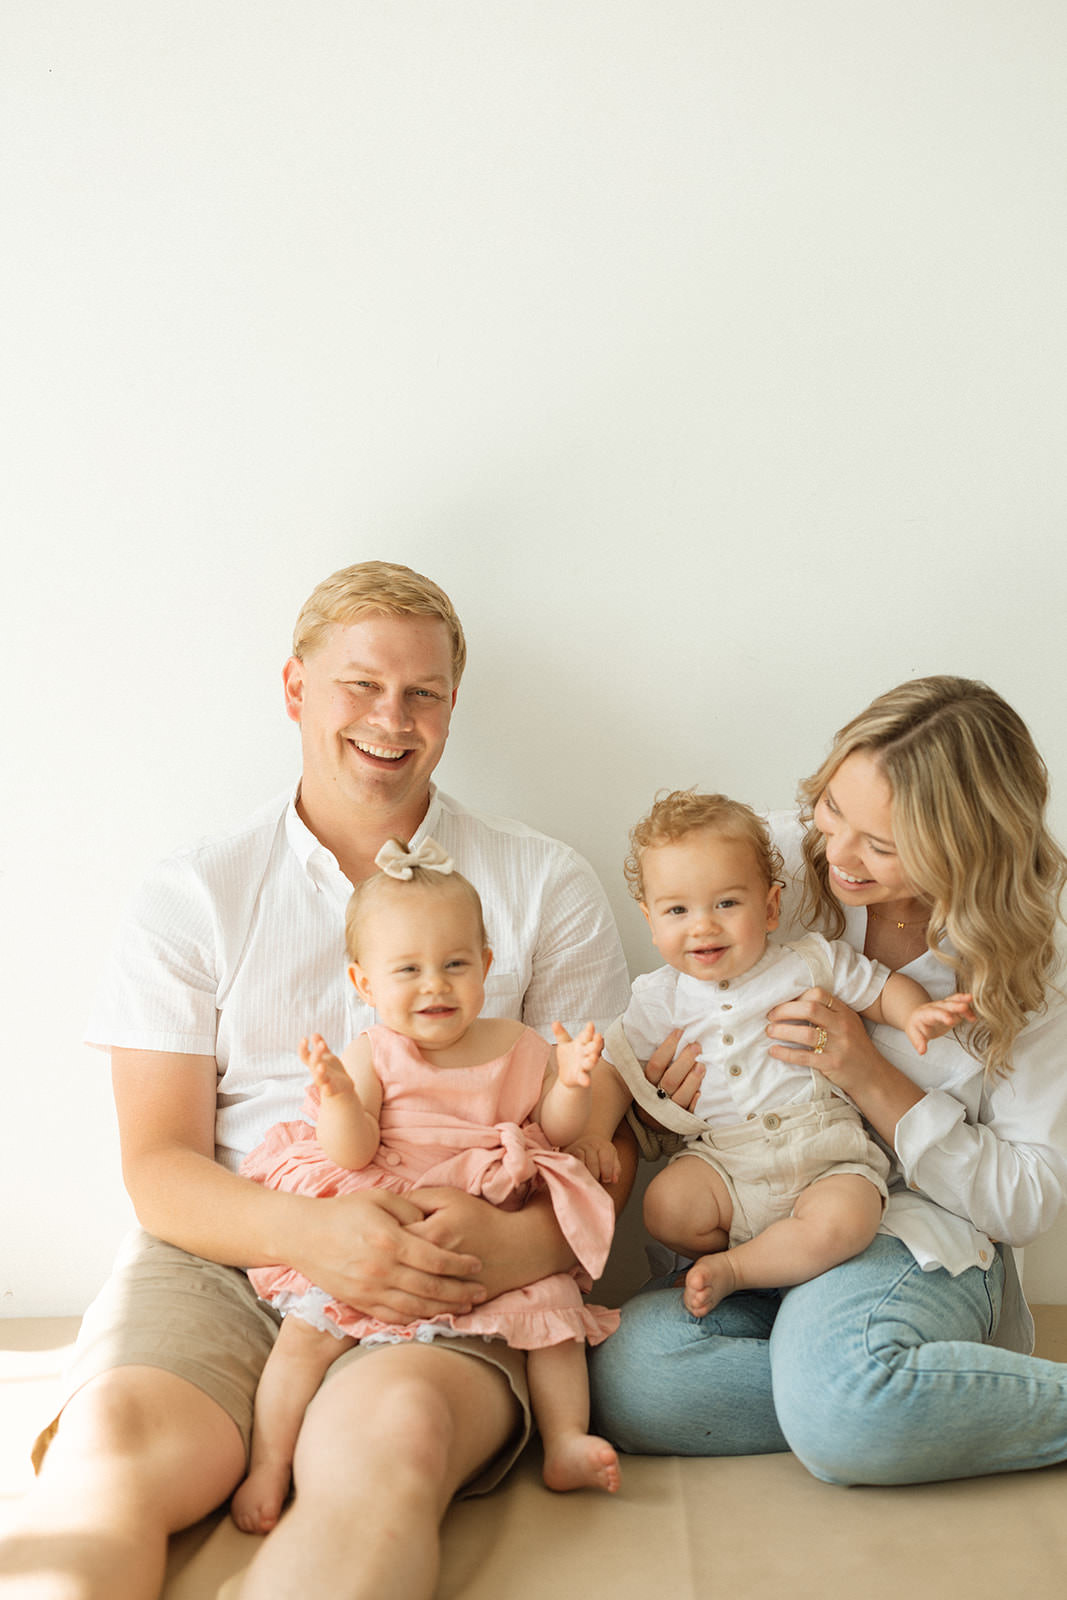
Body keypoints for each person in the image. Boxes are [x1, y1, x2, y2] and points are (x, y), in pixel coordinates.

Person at [2, 561, 630, 1600]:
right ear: (296, 689)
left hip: (452, 1268)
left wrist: (500, 1247)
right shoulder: (195, 890)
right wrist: (314, 1235)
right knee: (112, 1441)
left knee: (392, 1446)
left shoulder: (542, 880)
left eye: (422, 692)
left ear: (450, 708)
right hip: (225, 1246)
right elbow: (157, 1165)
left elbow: (597, 1151)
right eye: (360, 685)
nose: (392, 717)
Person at [589, 676, 1067, 1487]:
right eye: (832, 807)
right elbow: (678, 1028)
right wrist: (665, 1111)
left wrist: (871, 1073)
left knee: (842, 1406)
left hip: (900, 1233)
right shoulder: (768, 865)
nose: (837, 854)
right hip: (752, 1220)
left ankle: (852, 1390)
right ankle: (865, 1384)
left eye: (881, 845)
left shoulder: (1035, 955)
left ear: (967, 847)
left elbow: (1030, 1200)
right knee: (632, 1377)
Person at [232, 840, 621, 1537]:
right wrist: (341, 1098)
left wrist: (569, 1083)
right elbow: (348, 1152)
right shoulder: (374, 1053)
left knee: (552, 1317)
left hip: (487, 1217)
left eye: (454, 965)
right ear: (364, 983)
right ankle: (269, 1463)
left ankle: (564, 1441)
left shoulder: (518, 1044)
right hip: (388, 1207)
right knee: (305, 1335)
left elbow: (553, 1133)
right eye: (407, 970)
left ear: (487, 967)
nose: (434, 986)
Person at [576, 791, 973, 1319]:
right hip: (727, 1159)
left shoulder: (806, 961)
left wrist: (916, 1013)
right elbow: (616, 1069)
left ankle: (739, 1270)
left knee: (849, 1216)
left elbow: (879, 989)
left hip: (823, 1151)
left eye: (726, 903)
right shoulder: (656, 998)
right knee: (665, 1206)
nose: (703, 925)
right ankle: (764, 1266)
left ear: (769, 907)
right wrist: (591, 1133)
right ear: (650, 920)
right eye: (678, 909)